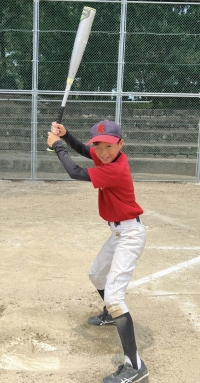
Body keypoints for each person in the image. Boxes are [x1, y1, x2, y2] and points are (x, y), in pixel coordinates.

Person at [47, 120, 149, 383]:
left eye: (109, 146)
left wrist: (57, 145)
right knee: (96, 274)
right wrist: (66, 135)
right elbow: (82, 149)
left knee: (115, 297)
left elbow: (76, 172)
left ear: (121, 145)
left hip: (130, 235)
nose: (102, 152)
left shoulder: (116, 168)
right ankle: (111, 316)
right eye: (99, 146)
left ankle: (135, 366)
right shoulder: (106, 156)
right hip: (117, 233)